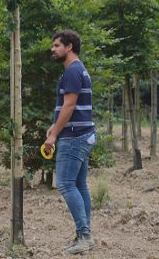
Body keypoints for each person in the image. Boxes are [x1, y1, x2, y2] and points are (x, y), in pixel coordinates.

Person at [44, 30, 97, 255]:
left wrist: (54, 135)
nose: (53, 49)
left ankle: (84, 236)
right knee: (80, 185)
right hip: (83, 134)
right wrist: (54, 126)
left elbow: (69, 105)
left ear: (69, 47)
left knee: (66, 184)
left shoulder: (72, 71)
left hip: (74, 137)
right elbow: (67, 107)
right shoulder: (79, 69)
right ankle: (84, 234)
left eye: (57, 45)